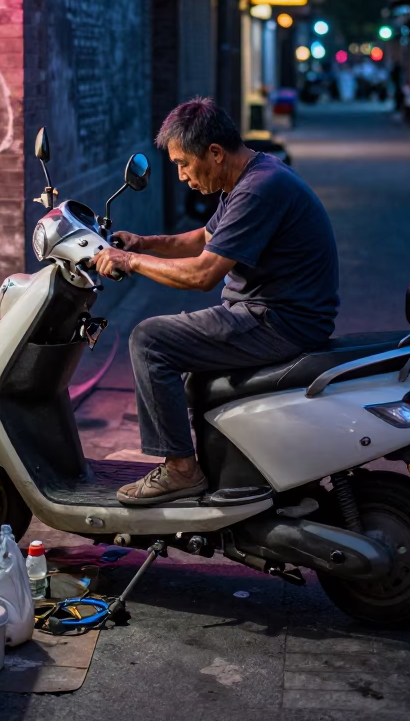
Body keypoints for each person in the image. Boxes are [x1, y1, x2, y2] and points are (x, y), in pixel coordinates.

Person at [92, 97, 339, 506]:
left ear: (215, 153)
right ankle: (214, 461)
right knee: (185, 365)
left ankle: (180, 470)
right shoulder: (249, 178)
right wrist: (142, 242)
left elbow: (203, 274)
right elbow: (204, 239)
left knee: (150, 340)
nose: (182, 176)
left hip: (277, 321)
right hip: (269, 313)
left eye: (183, 164)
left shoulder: (259, 190)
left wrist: (132, 261)